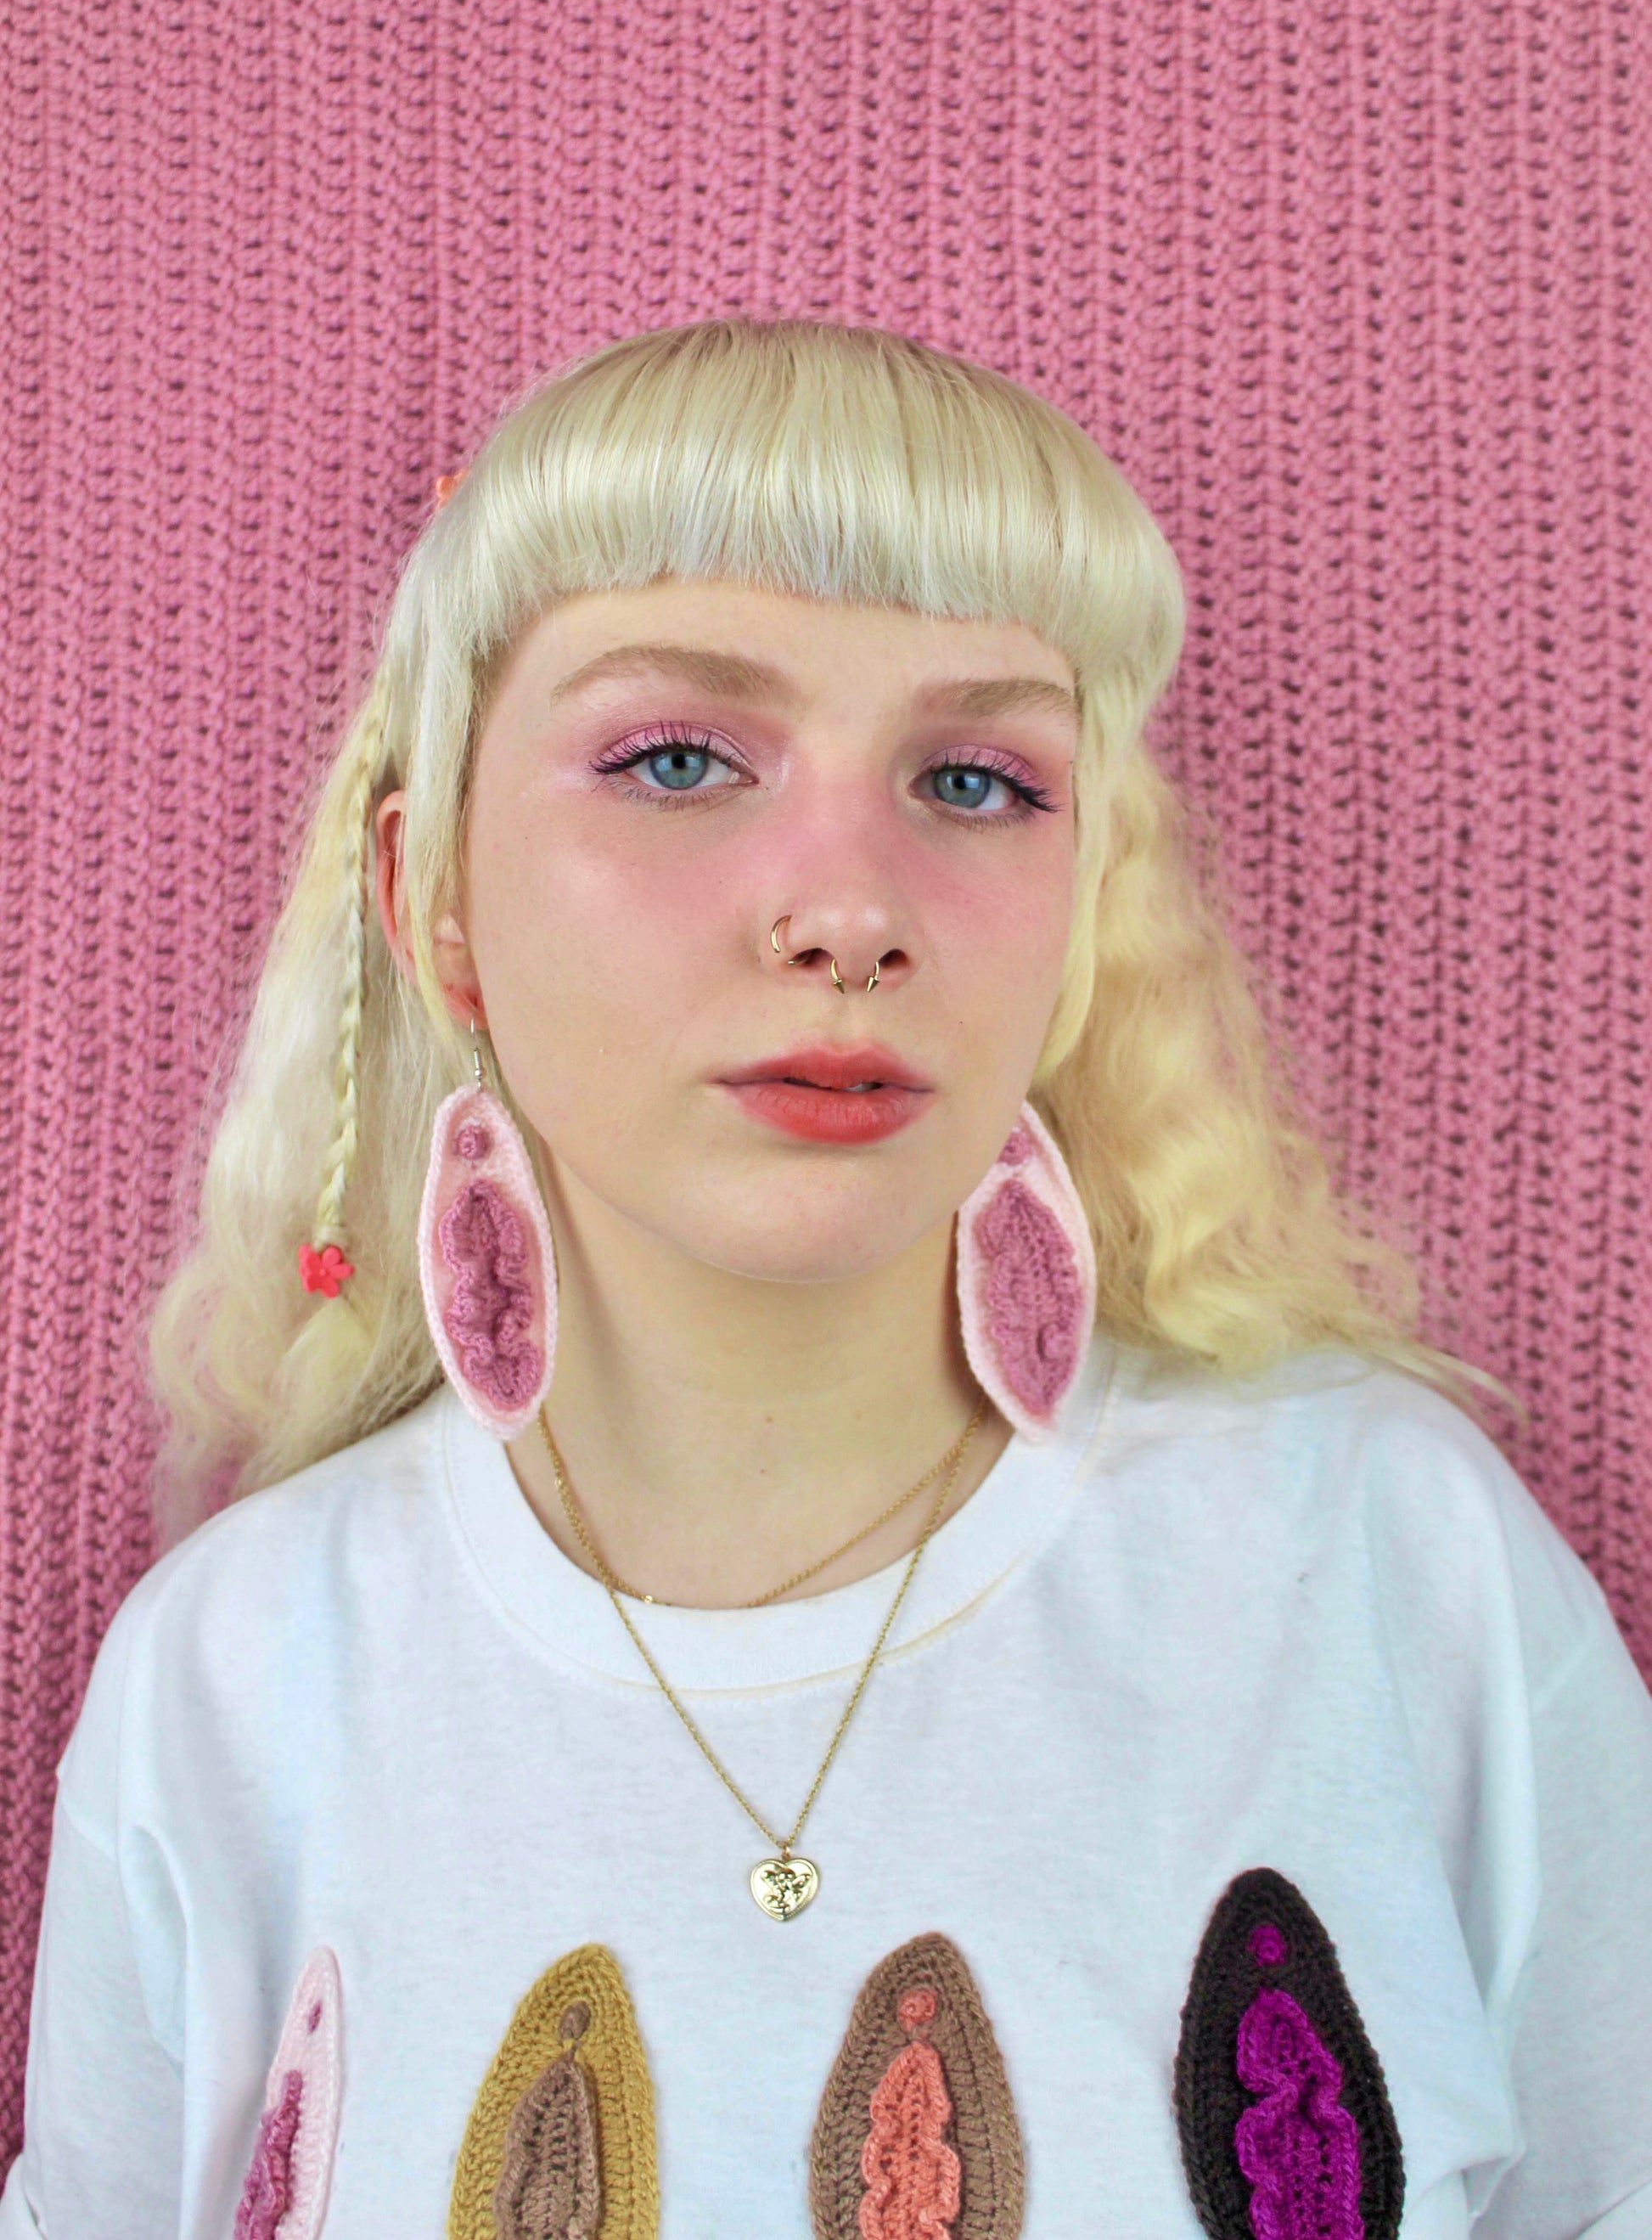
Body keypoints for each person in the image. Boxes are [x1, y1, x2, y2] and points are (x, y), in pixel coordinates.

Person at [3, 318, 1649, 2240]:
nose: (850, 908)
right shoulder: (232, 1683)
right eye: (678, 756)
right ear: (430, 898)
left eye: (973, 781)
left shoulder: (1391, 1563)